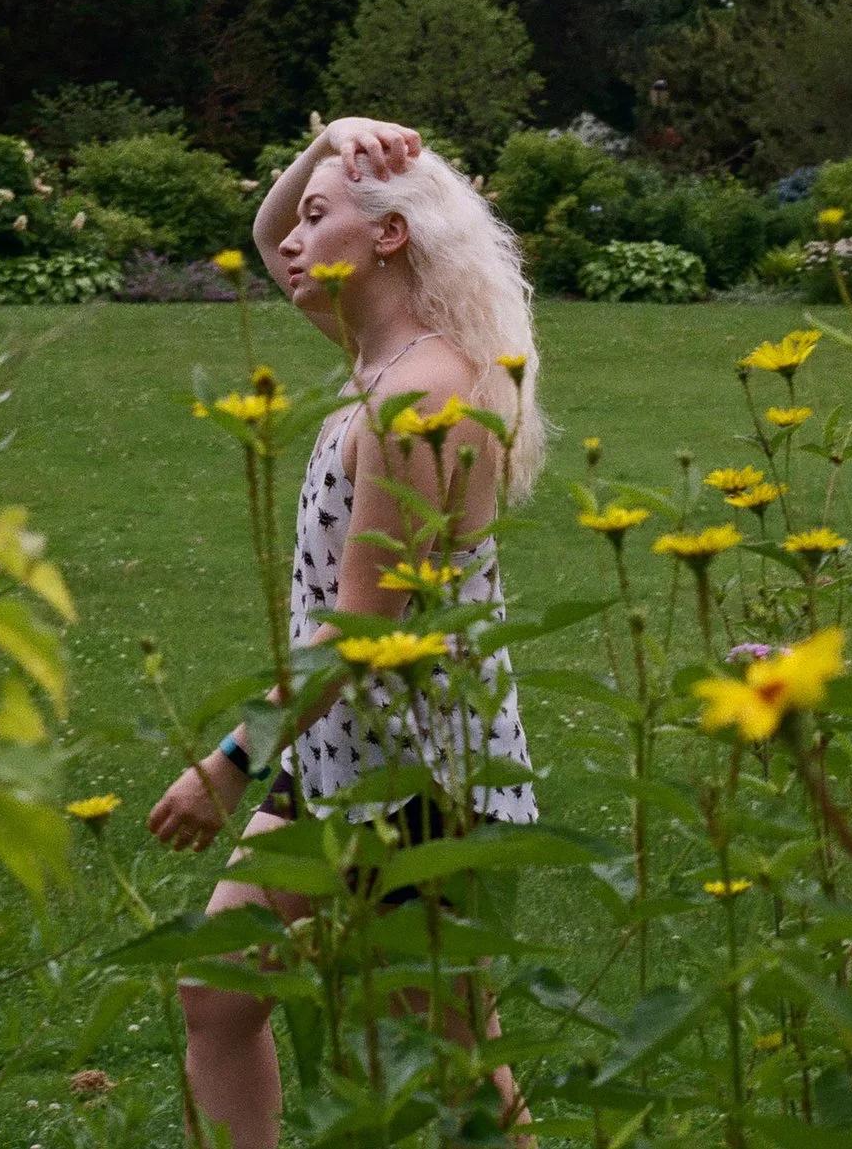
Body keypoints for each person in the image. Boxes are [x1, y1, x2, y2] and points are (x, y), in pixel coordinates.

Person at [146, 115, 545, 1148]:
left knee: (453, 1061)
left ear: (389, 238)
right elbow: (265, 223)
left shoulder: (422, 395)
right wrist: (326, 141)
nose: (288, 239)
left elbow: (362, 628)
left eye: (319, 219)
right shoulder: (379, 356)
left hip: (412, 774)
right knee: (217, 995)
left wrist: (232, 760)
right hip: (336, 752)